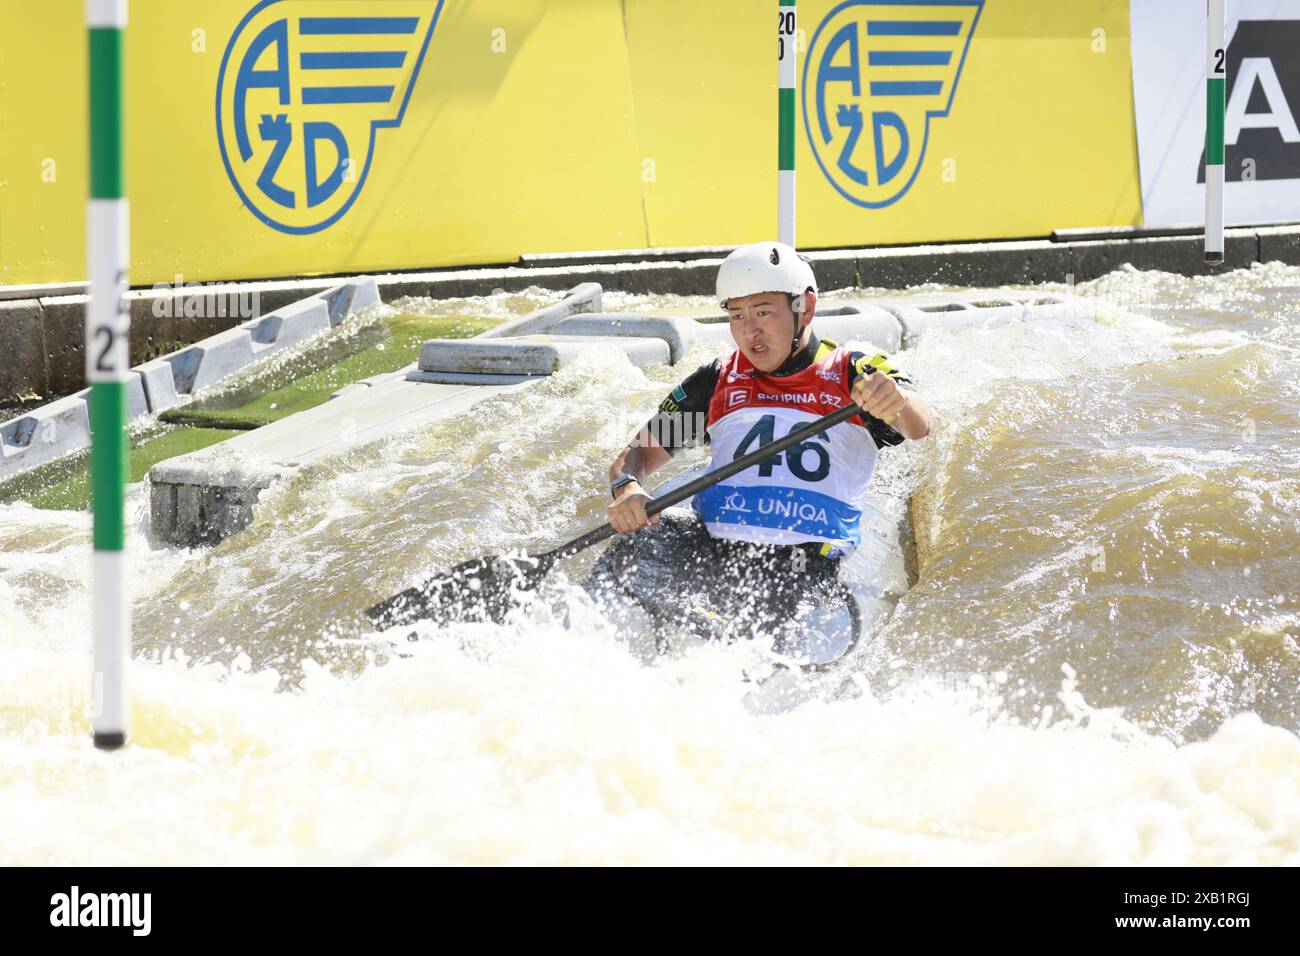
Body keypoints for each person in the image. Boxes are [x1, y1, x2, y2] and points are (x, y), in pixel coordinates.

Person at [583, 241, 930, 652]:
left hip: (802, 561)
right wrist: (628, 489)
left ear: (806, 308)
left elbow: (918, 425)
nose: (750, 331)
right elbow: (636, 453)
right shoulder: (717, 379)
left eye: (764, 312)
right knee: (632, 549)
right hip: (711, 546)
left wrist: (895, 401)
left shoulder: (852, 371)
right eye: (737, 316)